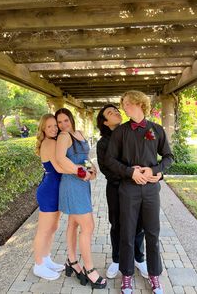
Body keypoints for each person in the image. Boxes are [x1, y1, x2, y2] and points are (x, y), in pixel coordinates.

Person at [106, 90, 173, 294]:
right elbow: (110, 160)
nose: (124, 107)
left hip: (151, 190)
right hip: (128, 190)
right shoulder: (120, 132)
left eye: (127, 103)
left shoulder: (156, 129)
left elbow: (168, 157)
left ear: (139, 104)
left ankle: (154, 276)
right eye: (123, 104)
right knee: (126, 233)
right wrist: (130, 172)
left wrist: (156, 171)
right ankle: (126, 276)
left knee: (152, 233)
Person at [55, 108, 107, 290]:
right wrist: (81, 171)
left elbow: (84, 157)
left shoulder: (79, 134)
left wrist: (92, 169)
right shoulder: (63, 137)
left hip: (81, 184)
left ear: (71, 119)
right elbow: (60, 158)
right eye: (59, 122)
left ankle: (71, 260)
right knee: (88, 226)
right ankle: (89, 269)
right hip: (71, 183)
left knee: (73, 224)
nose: (62, 125)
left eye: (65, 121)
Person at [96, 104, 148, 279]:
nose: (116, 113)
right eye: (110, 113)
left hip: (136, 187)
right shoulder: (103, 142)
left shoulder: (130, 131)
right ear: (105, 122)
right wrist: (128, 175)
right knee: (117, 224)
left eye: (116, 110)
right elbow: (105, 168)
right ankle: (117, 259)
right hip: (116, 188)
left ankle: (138, 258)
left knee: (139, 223)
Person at [33, 114, 65, 280]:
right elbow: (59, 168)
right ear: (43, 129)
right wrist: (80, 170)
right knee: (44, 230)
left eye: (55, 125)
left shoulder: (52, 141)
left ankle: (46, 259)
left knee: (53, 228)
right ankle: (38, 265)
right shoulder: (50, 142)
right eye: (49, 126)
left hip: (54, 189)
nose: (54, 129)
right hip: (49, 191)